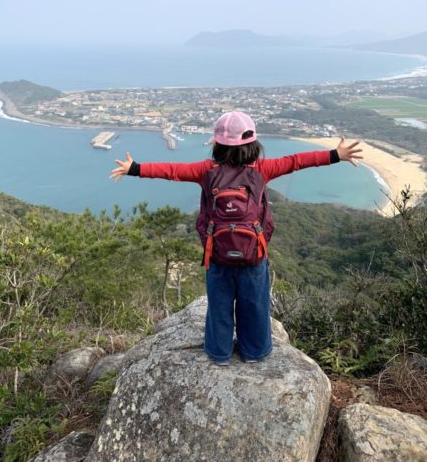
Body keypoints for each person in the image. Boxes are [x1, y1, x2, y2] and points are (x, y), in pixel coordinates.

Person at [110, 111, 363, 366]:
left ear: (217, 145)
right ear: (253, 144)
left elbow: (173, 170)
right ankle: (255, 352)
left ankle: (219, 353)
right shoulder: (263, 169)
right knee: (254, 306)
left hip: (217, 255)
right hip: (253, 256)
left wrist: (135, 169)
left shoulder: (206, 171)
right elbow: (296, 161)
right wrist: (335, 155)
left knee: (219, 307)